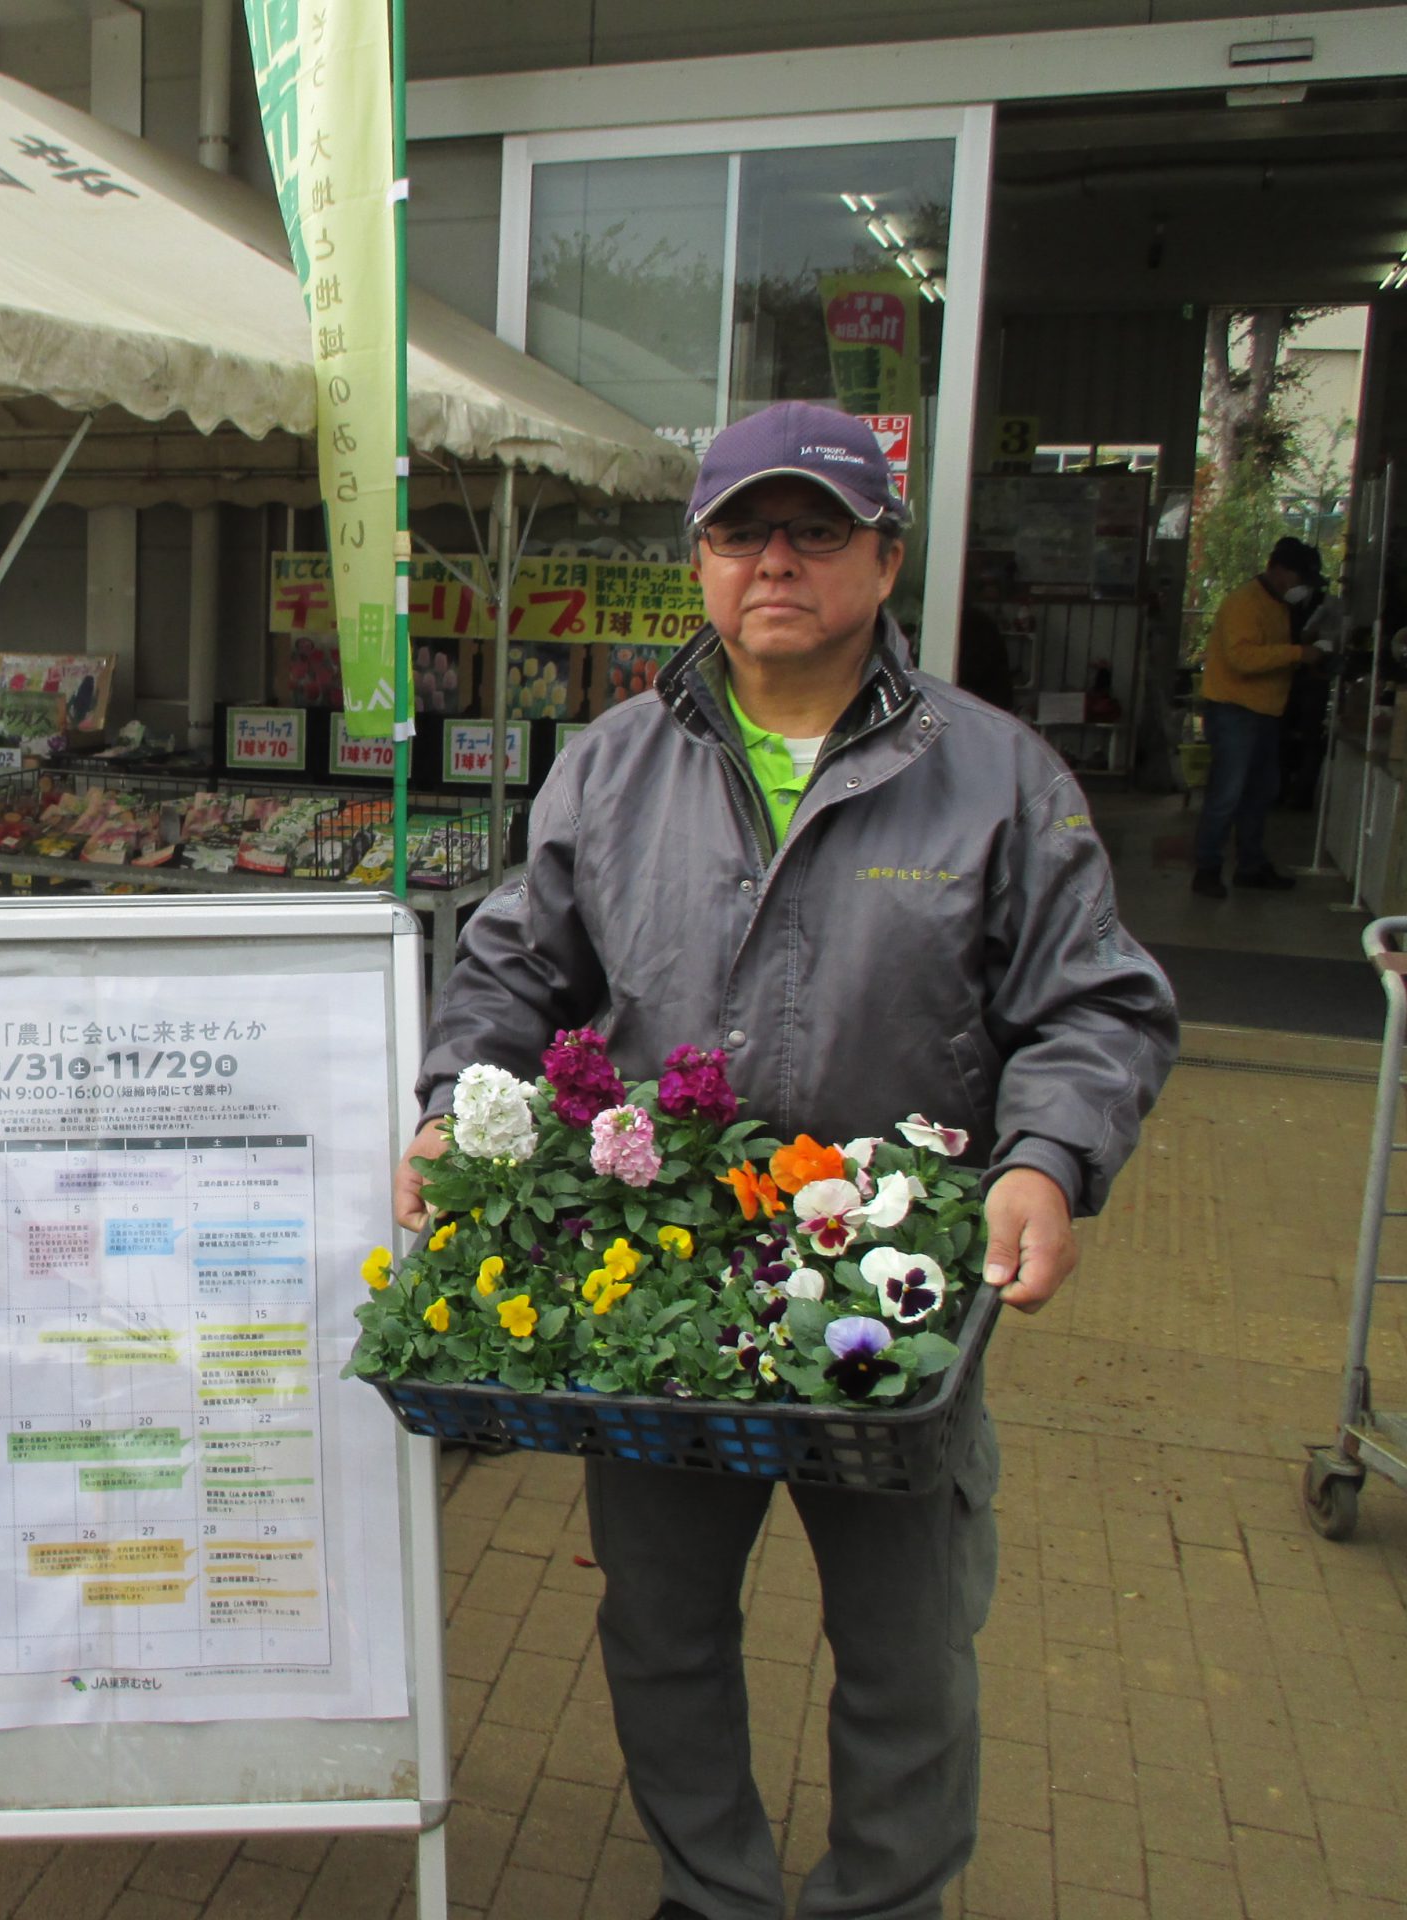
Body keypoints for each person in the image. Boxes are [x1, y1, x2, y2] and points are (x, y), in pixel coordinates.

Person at [395, 401, 1177, 1920]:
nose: (776, 560)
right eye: (744, 530)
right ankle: (716, 1890)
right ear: (698, 561)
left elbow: (1095, 1001)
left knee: (907, 1641)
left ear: (884, 559)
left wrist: (1048, 1161)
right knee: (664, 1622)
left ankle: (886, 1899)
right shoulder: (611, 771)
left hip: (893, 1293)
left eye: (816, 529)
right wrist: (455, 1100)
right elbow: (509, 975)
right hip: (664, 1282)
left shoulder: (997, 779)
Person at [1191, 534, 1328, 896]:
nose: (1302, 588)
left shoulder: (1280, 605)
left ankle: (1250, 865)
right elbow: (1243, 658)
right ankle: (1207, 868)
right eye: (1300, 579)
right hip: (1234, 710)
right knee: (1226, 794)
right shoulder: (1244, 603)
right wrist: (1298, 654)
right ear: (1279, 570)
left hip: (1266, 712)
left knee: (1261, 793)